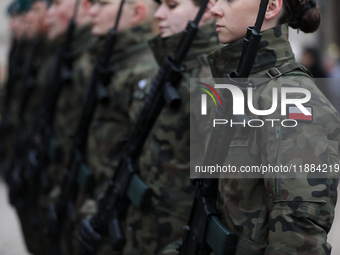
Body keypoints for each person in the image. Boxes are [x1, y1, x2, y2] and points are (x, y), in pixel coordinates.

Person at [205, 0, 340, 254]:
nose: (214, 9)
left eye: (229, 0)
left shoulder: (295, 101)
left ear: (270, 7)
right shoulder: (245, 89)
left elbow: (299, 241)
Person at [120, 0, 220, 254]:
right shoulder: (170, 69)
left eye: (172, 6)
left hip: (176, 239)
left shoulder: (211, 82)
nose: (160, 14)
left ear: (207, 9)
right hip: (144, 232)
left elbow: (222, 197)